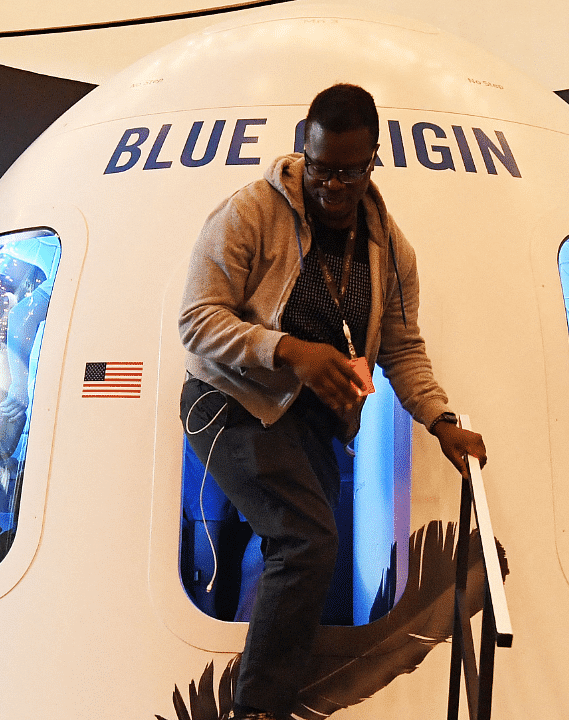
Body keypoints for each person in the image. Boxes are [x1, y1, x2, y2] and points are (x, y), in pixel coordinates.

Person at [178, 83, 487, 720]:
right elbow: (197, 322)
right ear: (304, 152)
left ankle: (268, 682)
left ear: (373, 160)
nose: (334, 185)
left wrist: (442, 421)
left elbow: (403, 346)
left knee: (306, 548)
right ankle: (257, 710)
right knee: (306, 542)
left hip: (310, 421)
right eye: (321, 168)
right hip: (227, 402)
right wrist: (291, 350)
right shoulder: (248, 214)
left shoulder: (391, 251)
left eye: (350, 170)